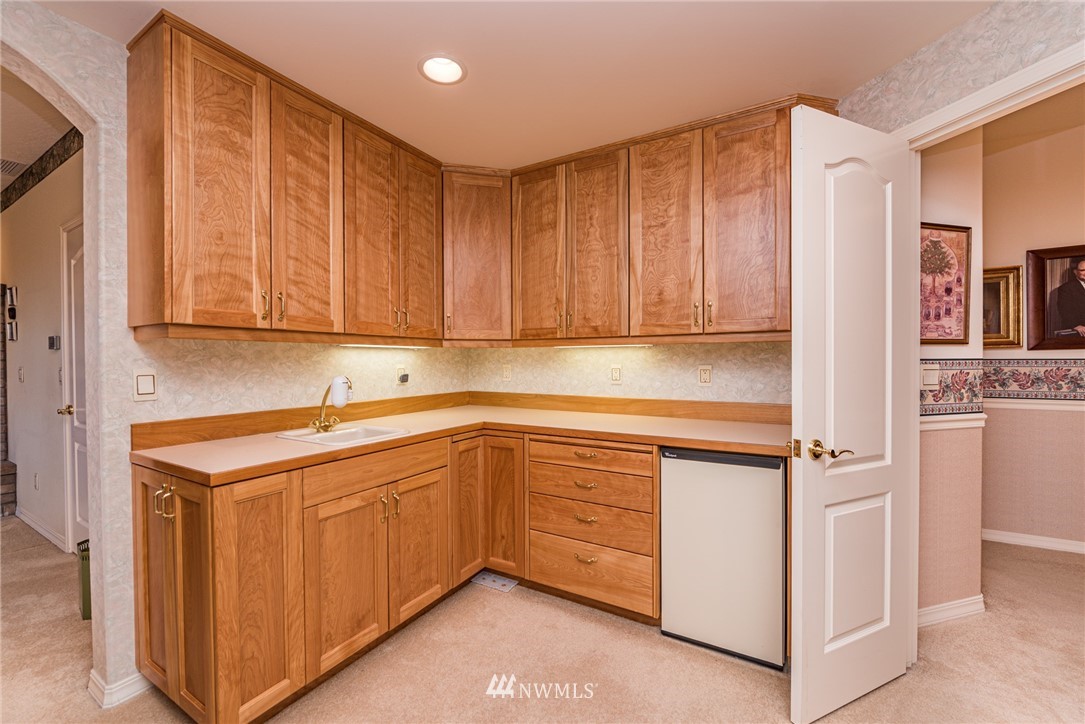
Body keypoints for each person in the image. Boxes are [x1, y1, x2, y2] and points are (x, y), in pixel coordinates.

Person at [1055, 257, 1085, 337]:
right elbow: (1064, 309)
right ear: (1075, 272)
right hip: (1078, 332)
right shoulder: (1066, 288)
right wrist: (1076, 325)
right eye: (1082, 270)